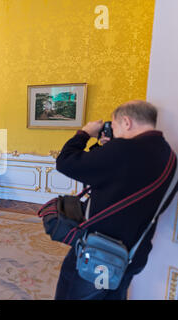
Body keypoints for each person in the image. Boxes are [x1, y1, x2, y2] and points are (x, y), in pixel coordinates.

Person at [54, 100, 178, 300]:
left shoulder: (123, 150)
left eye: (114, 125)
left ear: (126, 122)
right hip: (133, 254)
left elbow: (65, 162)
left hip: (98, 254)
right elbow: (116, 178)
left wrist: (84, 133)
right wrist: (104, 148)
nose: (114, 131)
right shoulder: (169, 156)